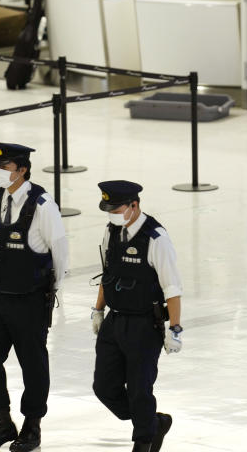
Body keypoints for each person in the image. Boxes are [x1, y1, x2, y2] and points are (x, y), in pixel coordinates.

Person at [0, 142, 68, 452]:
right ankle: (3, 423)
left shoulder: (42, 205)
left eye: (5, 167)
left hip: (30, 298)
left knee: (33, 364)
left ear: (22, 170)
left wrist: (52, 290)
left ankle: (32, 427)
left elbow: (60, 250)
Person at [92, 181, 183, 452]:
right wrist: (98, 309)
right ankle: (154, 423)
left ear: (134, 205)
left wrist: (175, 328)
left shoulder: (155, 238)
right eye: (108, 209)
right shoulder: (111, 232)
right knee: (104, 387)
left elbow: (172, 288)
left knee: (139, 390)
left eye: (116, 208)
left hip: (144, 325)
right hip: (115, 321)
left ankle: (143, 442)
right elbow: (107, 275)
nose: (112, 214)